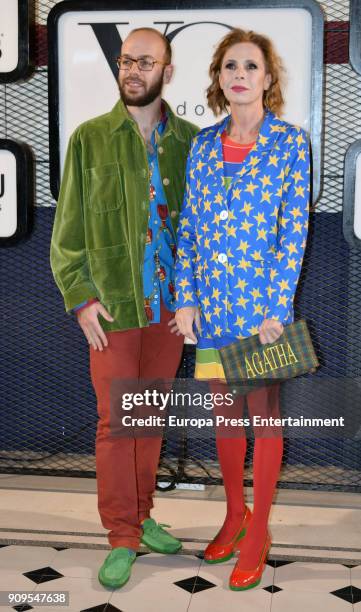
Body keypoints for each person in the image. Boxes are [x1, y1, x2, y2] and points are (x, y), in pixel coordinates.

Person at [50, 27, 198, 589]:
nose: (133, 70)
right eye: (125, 60)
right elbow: (67, 237)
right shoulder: (90, 138)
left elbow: (199, 230)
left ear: (167, 70)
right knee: (117, 425)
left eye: (146, 61)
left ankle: (142, 517)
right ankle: (120, 535)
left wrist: (194, 300)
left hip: (168, 312)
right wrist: (81, 298)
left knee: (149, 419)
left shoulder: (188, 141)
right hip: (112, 310)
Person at [175, 28, 310, 590]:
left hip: (262, 314)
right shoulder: (203, 145)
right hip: (212, 309)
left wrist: (278, 308)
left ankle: (259, 533)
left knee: (264, 417)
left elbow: (294, 233)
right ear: (219, 78)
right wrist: (185, 297)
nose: (240, 75)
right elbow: (188, 226)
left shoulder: (289, 143)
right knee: (225, 417)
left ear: (268, 78)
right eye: (231, 66)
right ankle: (235, 514)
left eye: (251, 66)